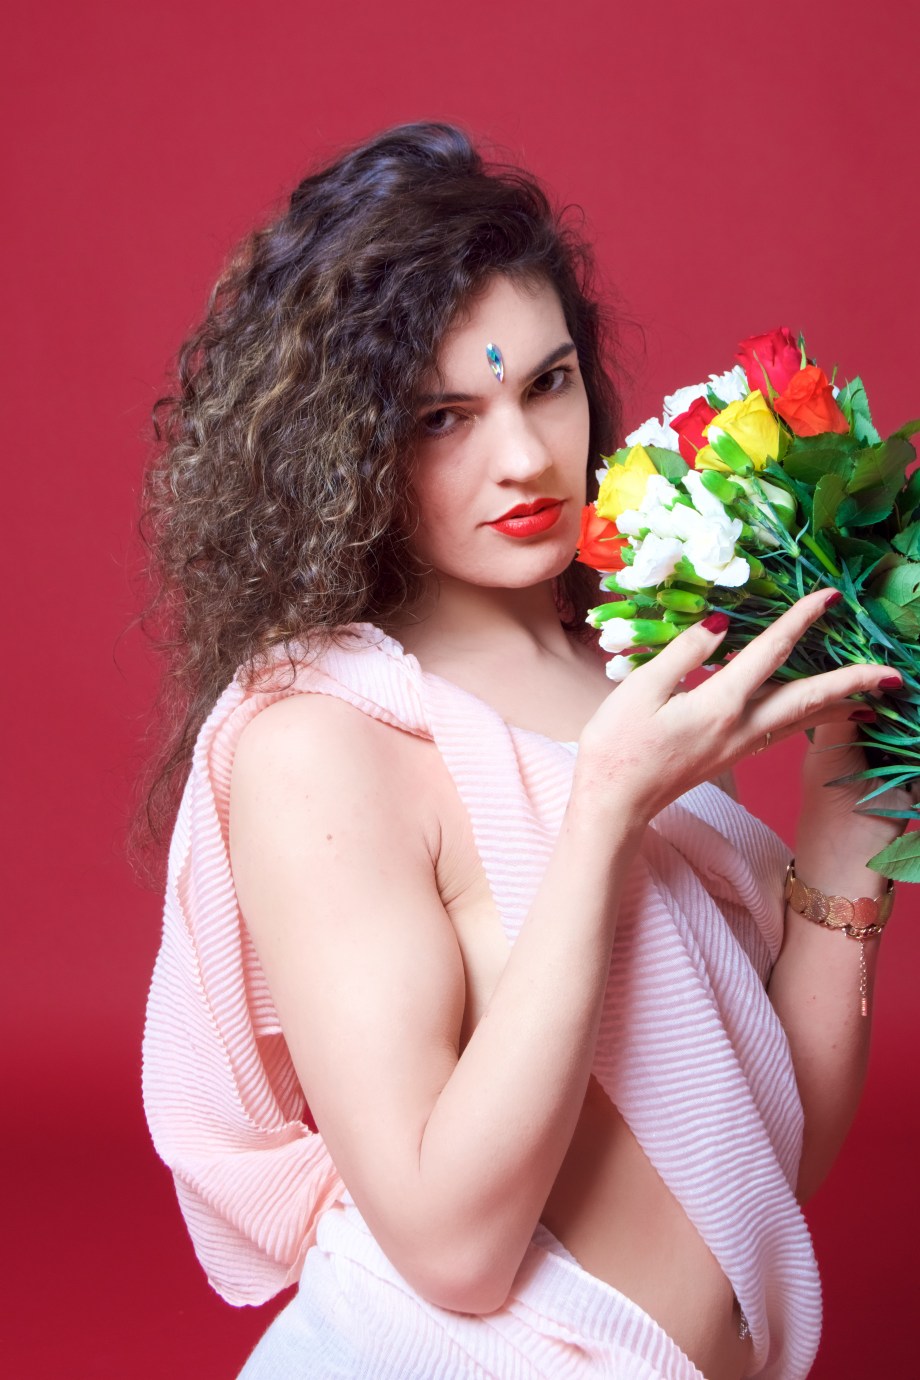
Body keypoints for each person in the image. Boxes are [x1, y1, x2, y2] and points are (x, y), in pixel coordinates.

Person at [138, 121, 909, 1380]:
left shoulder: (611, 660)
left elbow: (756, 1161)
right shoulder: (317, 743)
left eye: (544, 383)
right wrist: (601, 815)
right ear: (345, 452)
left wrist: (844, 817)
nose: (523, 458)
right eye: (443, 414)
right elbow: (452, 1249)